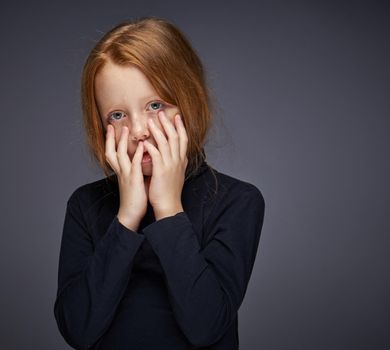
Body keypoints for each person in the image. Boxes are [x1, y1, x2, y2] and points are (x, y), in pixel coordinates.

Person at [54, 17, 265, 350]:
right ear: (100, 124)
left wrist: (168, 209)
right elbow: (78, 330)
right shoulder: (85, 206)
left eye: (155, 106)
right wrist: (127, 217)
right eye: (117, 115)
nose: (139, 130)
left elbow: (206, 327)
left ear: (189, 100)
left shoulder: (237, 201)